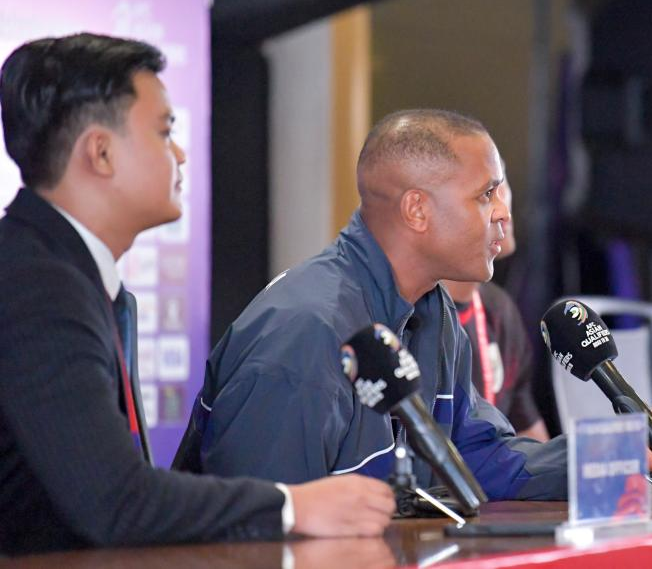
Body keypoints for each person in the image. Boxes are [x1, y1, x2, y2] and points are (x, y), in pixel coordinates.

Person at [175, 108, 652, 498]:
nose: (504, 214)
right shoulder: (304, 331)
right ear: (417, 210)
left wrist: (631, 447)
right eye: (485, 194)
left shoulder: (434, 313)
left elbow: (481, 457)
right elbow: (258, 531)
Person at [0, 34, 394, 556]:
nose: (180, 154)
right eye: (164, 132)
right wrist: (293, 507)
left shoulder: (63, 273)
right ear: (100, 152)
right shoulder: (36, 284)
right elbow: (115, 503)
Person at [442, 176, 549, 441]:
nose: (504, 210)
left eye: (504, 185)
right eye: (488, 192)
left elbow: (533, 442)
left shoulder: (500, 309)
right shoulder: (411, 318)